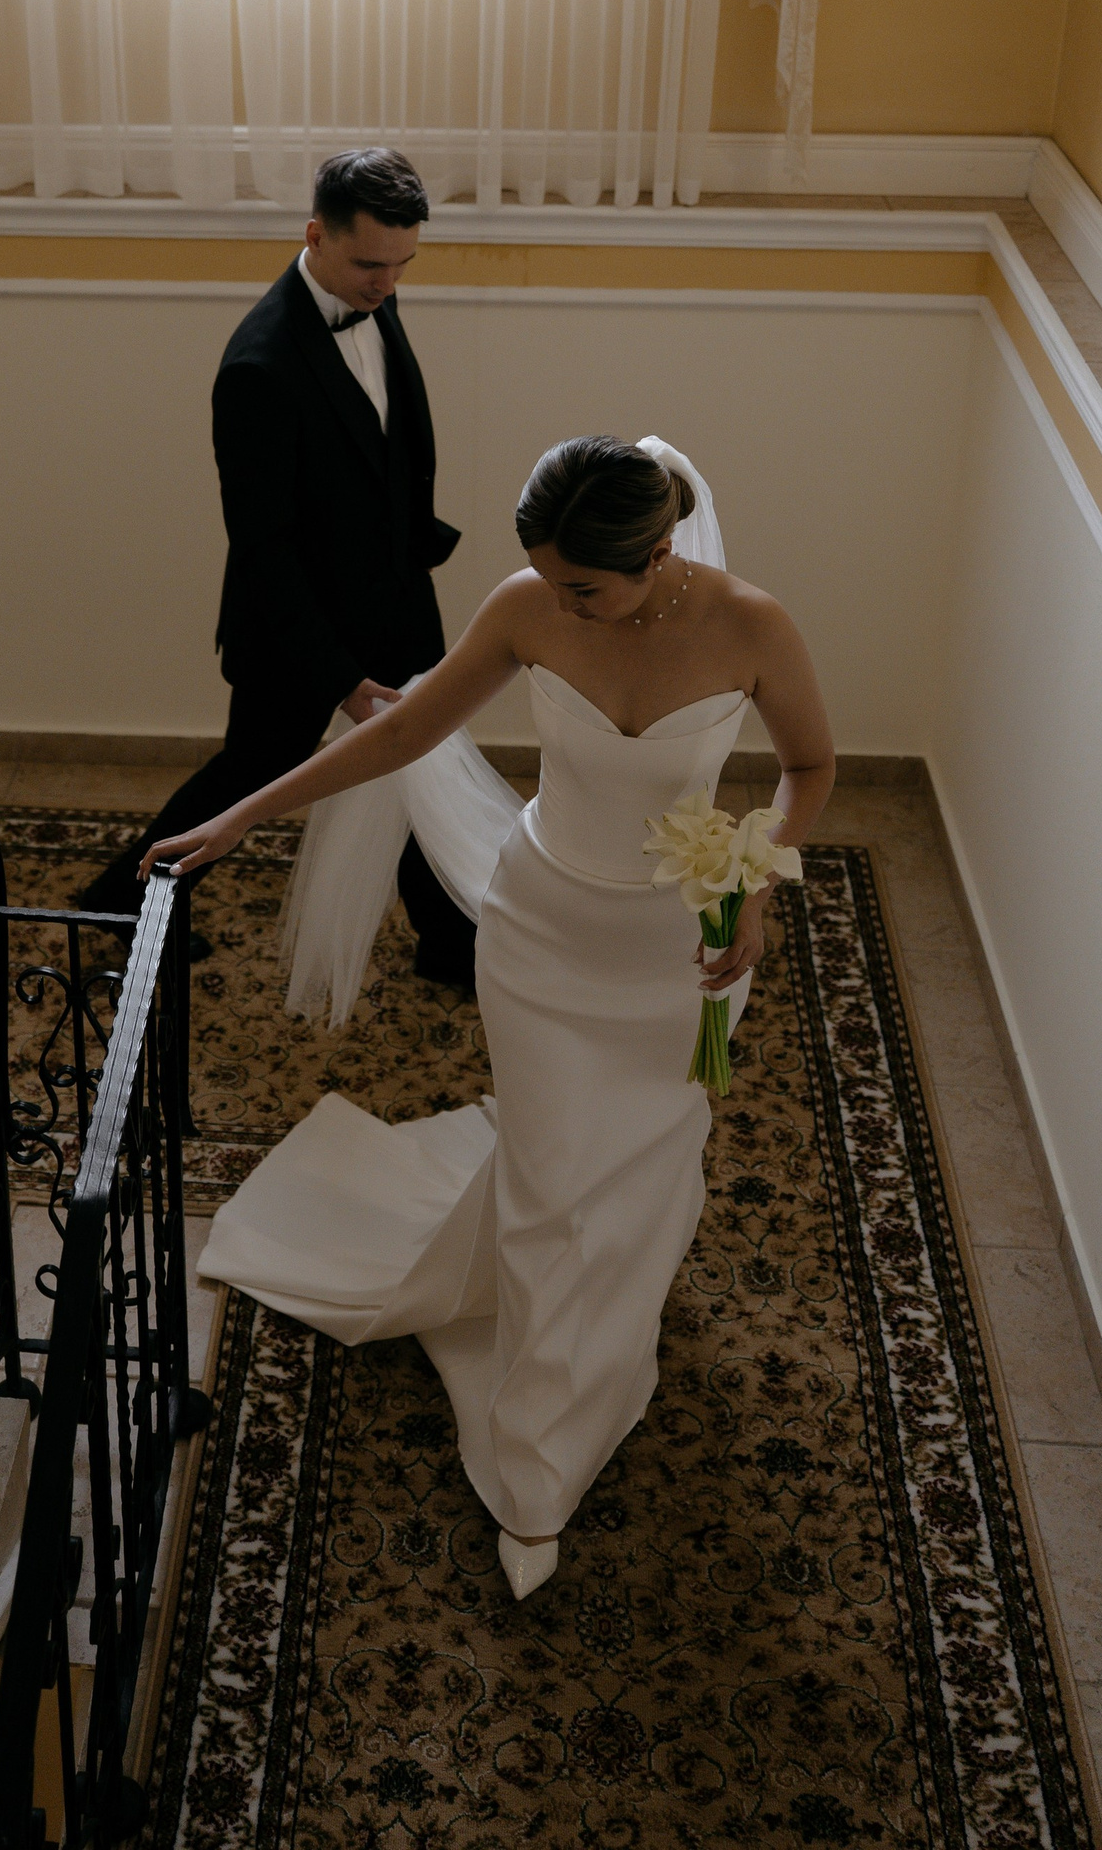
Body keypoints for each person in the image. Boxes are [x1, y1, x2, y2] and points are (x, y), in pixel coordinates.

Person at [142, 435, 834, 1601]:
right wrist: (243, 815)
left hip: (675, 947)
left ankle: (611, 1345)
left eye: (583, 589)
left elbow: (810, 767)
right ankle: (536, 1465)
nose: (559, 603)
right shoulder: (527, 603)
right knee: (552, 1179)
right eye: (549, 579)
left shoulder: (752, 626)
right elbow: (405, 730)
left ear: (660, 553)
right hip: (540, 935)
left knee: (645, 1158)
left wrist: (756, 886)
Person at [81, 146, 478, 986]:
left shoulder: (372, 293)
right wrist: (339, 676)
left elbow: (386, 442)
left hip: (395, 593)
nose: (388, 284)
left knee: (425, 759)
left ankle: (449, 940)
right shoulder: (257, 369)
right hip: (299, 623)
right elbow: (264, 549)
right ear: (316, 236)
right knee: (249, 778)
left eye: (403, 264)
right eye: (371, 265)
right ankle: (125, 902)